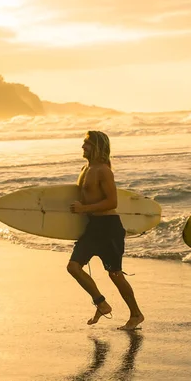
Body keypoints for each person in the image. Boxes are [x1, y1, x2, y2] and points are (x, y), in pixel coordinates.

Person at [67, 130, 144, 330]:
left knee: (115, 274)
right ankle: (101, 303)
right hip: (93, 228)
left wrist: (83, 209)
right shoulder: (86, 168)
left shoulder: (103, 170)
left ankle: (136, 314)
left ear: (97, 147)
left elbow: (112, 201)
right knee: (73, 267)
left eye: (86, 143)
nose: (82, 147)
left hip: (109, 228)